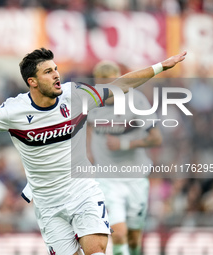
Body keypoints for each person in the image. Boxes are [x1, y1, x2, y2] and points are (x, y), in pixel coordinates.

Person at [0, 48, 186, 255]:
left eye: (56, 69)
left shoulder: (77, 95)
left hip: (82, 191)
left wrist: (161, 67)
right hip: (47, 204)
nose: (57, 75)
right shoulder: (13, 111)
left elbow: (120, 85)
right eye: (48, 72)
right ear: (32, 81)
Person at [87, 60, 163, 255]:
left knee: (134, 237)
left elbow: (156, 139)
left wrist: (125, 144)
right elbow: (87, 126)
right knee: (119, 234)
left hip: (136, 176)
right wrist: (87, 153)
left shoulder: (136, 101)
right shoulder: (89, 102)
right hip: (107, 178)